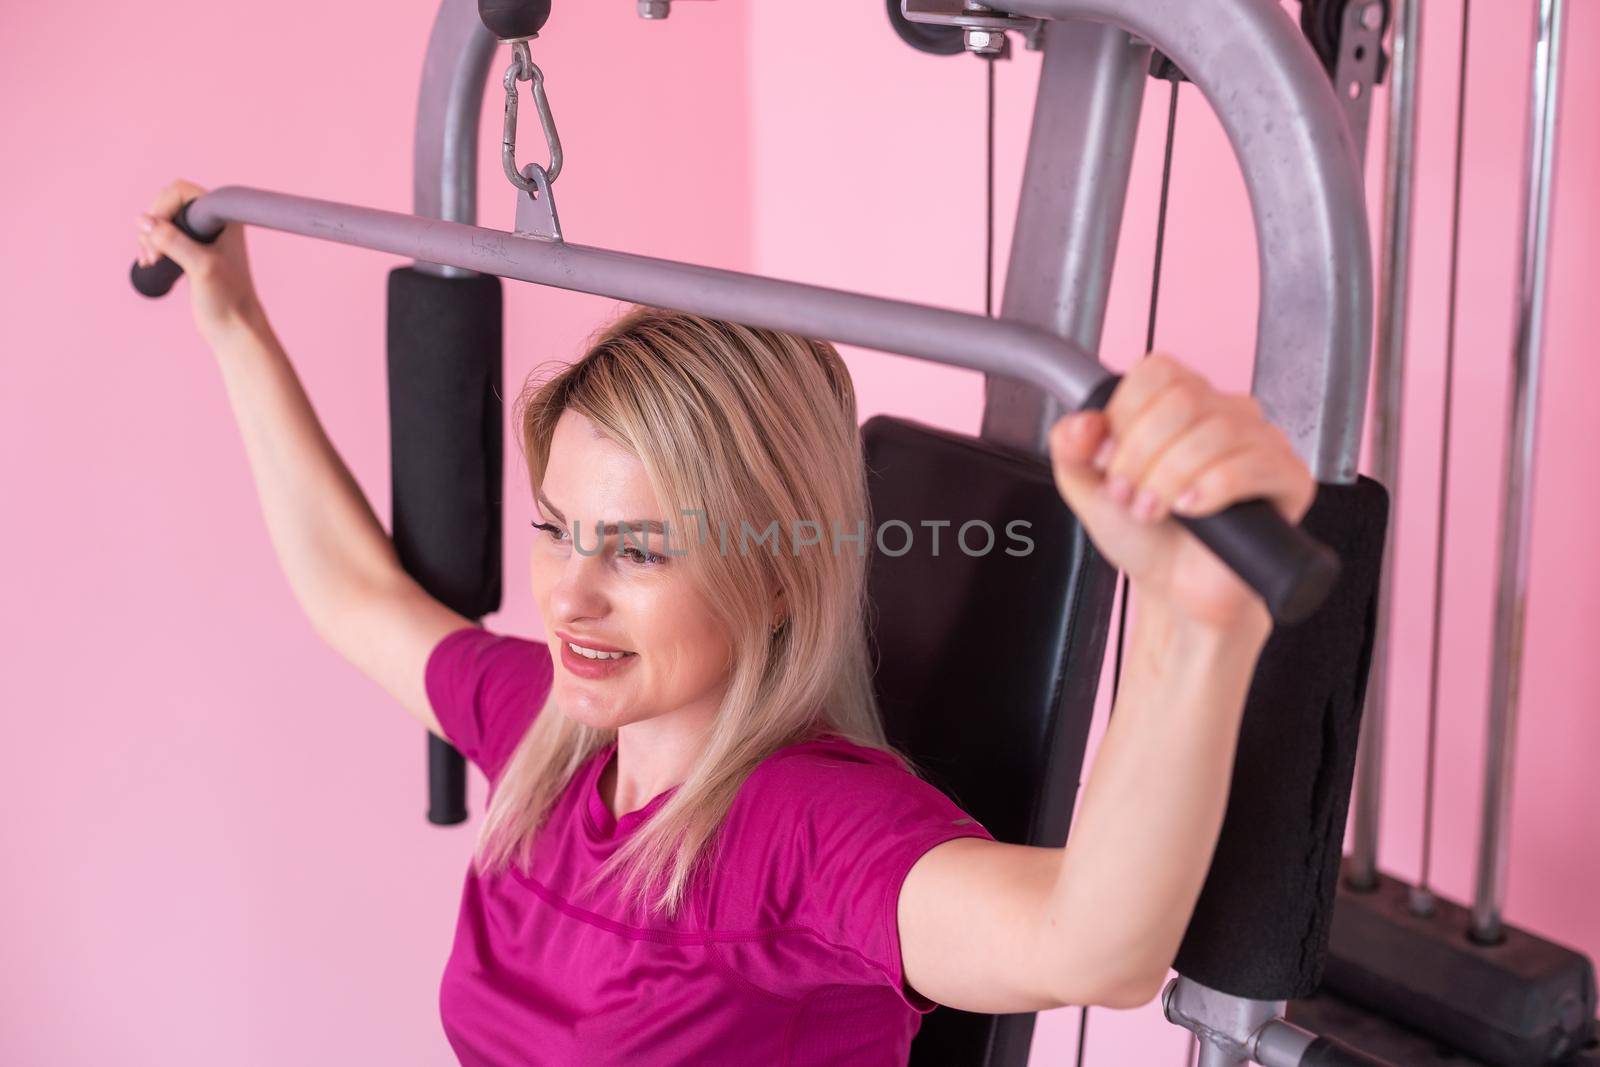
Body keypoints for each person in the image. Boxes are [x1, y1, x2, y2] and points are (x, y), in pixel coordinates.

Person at [135, 179, 1316, 1066]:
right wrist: (233, 322)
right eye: (558, 528)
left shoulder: (806, 825)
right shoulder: (557, 731)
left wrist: (1191, 620)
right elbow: (356, 595)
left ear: (783, 575)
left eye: (640, 547)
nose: (572, 594)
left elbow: (1087, 944)